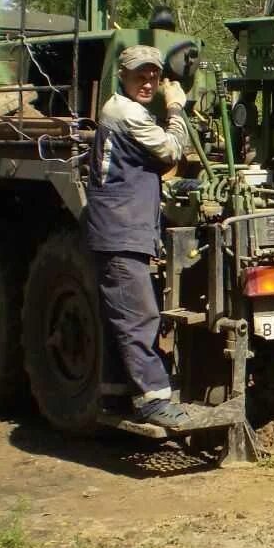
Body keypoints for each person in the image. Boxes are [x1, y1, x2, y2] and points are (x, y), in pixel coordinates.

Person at [84, 44, 192, 429]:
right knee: (139, 316)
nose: (147, 82)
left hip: (121, 229)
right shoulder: (126, 113)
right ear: (122, 76)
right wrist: (177, 107)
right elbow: (171, 150)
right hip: (120, 231)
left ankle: (115, 394)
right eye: (139, 75)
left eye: (153, 75)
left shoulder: (125, 110)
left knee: (120, 315)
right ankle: (153, 402)